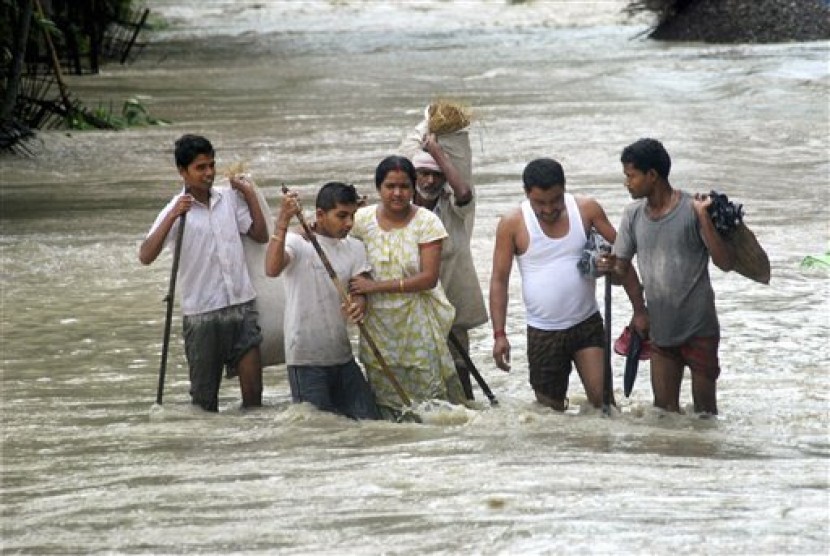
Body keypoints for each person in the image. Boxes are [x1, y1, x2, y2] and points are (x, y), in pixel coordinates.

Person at [489, 158, 647, 411]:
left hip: (587, 323)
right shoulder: (512, 223)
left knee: (605, 406)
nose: (549, 209)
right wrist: (499, 334)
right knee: (549, 416)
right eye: (540, 203)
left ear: (565, 188)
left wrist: (639, 310)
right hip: (543, 332)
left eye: (556, 200)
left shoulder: (587, 210)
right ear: (526, 193)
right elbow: (499, 281)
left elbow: (623, 259)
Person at [598, 138, 734, 415]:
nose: (627, 183)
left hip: (700, 329)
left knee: (705, 415)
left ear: (652, 175)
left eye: (631, 176)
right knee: (663, 414)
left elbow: (725, 262)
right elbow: (620, 273)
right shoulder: (633, 215)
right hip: (661, 333)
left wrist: (704, 217)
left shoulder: (692, 210)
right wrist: (609, 267)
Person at [139, 134, 267, 412]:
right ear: (182, 172)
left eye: (212, 165)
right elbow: (146, 256)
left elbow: (260, 234)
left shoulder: (229, 200)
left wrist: (250, 195)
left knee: (255, 395)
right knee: (205, 401)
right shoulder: (176, 210)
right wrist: (173, 215)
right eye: (200, 168)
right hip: (202, 316)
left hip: (242, 306)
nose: (209, 173)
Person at [348, 155, 468, 419]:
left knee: (430, 398)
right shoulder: (360, 221)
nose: (397, 193)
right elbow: (337, 246)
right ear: (379, 188)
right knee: (385, 397)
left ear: (413, 188)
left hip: (417, 321)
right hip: (377, 325)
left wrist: (374, 287)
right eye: (390, 186)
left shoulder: (426, 222)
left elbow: (428, 278)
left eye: (404, 186)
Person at [264, 182, 380, 420]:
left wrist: (359, 305)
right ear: (320, 215)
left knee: (371, 423)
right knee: (318, 432)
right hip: (305, 359)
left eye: (352, 215)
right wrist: (283, 221)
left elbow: (359, 288)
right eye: (341, 216)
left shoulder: (355, 247)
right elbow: (272, 268)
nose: (349, 223)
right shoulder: (299, 243)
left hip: (343, 356)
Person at [409, 135, 488, 400]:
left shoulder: (452, 208)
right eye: (423, 174)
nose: (430, 181)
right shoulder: (401, 210)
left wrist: (436, 151)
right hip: (413, 305)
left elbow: (464, 193)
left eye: (436, 175)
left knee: (459, 369)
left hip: (451, 304)